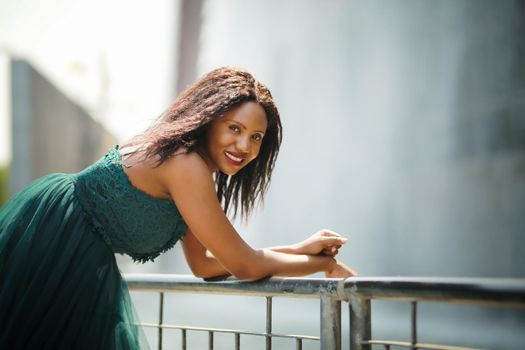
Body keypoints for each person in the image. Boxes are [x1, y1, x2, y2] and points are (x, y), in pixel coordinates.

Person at [0, 66, 357, 349]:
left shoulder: (192, 170)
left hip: (76, 255)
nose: (243, 145)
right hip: (55, 243)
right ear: (209, 119)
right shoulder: (186, 164)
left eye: (256, 137)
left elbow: (204, 263)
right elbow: (245, 264)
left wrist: (298, 249)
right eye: (234, 128)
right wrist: (322, 263)